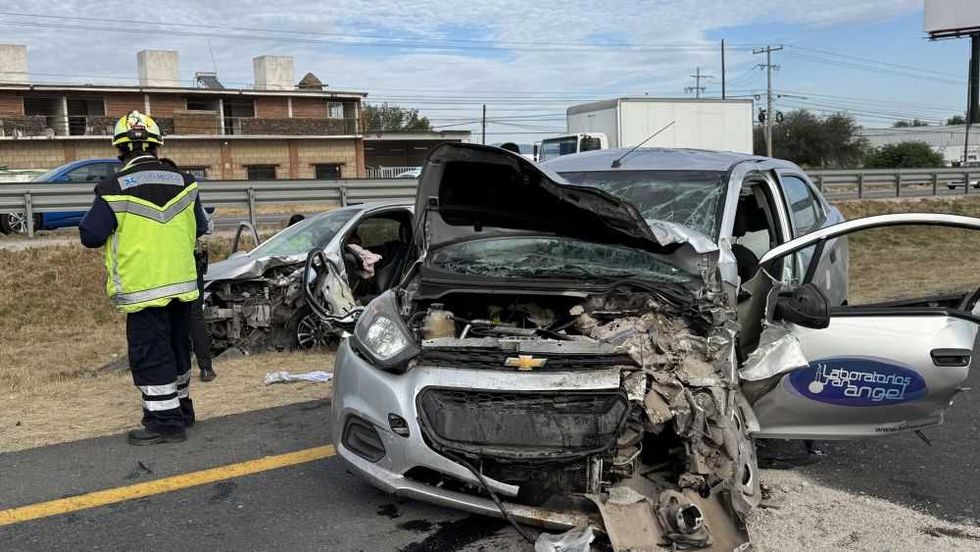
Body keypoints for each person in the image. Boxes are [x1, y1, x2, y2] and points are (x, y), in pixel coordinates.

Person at [79, 111, 209, 445]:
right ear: (155, 146)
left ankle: (165, 424)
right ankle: (182, 410)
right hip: (183, 286)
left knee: (151, 354)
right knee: (179, 349)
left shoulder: (112, 189)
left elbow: (91, 236)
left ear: (119, 149)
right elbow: (203, 226)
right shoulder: (185, 182)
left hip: (143, 290)